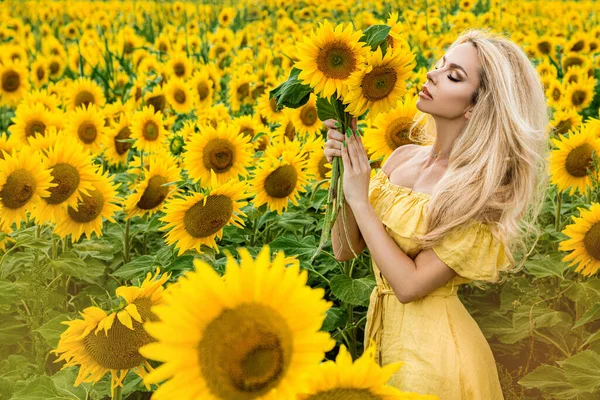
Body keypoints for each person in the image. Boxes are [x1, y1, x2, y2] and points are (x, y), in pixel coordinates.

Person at [322, 28, 550, 399]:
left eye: (453, 75)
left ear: (478, 105)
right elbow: (344, 249)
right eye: (440, 65)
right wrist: (347, 174)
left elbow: (410, 286)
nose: (432, 74)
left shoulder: (481, 191)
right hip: (382, 340)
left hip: (438, 360)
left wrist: (361, 200)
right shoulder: (401, 158)